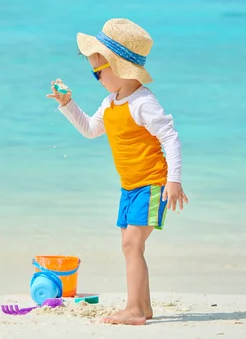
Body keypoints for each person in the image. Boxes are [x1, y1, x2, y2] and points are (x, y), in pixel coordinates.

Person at [47, 18, 188, 325]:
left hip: (152, 184)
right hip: (130, 186)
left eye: (98, 71)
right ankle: (144, 307)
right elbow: (89, 129)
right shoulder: (111, 102)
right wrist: (68, 104)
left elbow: (170, 137)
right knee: (130, 246)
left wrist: (174, 180)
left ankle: (135, 310)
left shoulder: (142, 103)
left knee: (131, 244)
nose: (96, 77)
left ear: (120, 67)